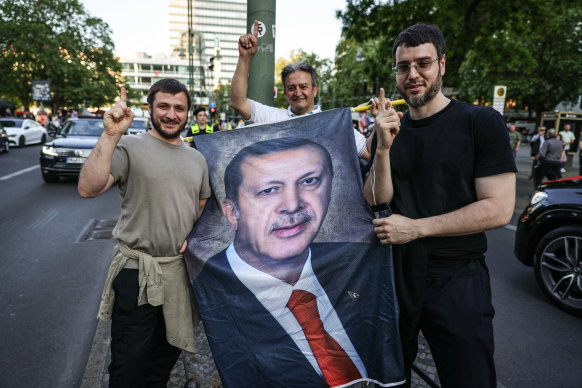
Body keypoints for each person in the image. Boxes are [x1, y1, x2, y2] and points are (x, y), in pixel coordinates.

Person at [366, 23, 516, 388]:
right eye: (403, 67)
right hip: (396, 276)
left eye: (423, 63)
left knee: (469, 379)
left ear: (442, 65)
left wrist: (416, 228)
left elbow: (498, 208)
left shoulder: (480, 122)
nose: (413, 75)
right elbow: (375, 199)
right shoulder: (389, 130)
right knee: (390, 377)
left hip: (457, 277)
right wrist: (382, 148)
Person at [193, 137, 404, 387]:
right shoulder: (209, 285)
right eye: (268, 190)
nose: (293, 205)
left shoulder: (356, 260)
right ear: (231, 212)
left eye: (309, 181)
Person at [78, 79, 211, 387]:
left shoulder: (197, 159)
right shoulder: (130, 145)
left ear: (188, 113)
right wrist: (111, 134)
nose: (171, 114)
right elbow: (88, 187)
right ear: (150, 108)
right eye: (163, 106)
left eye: (179, 108)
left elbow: (202, 205)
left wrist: (195, 236)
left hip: (178, 275)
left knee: (163, 361)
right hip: (137, 272)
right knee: (129, 365)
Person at [230, 20, 370, 160]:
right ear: (285, 93)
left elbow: (369, 153)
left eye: (303, 87)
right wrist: (245, 57)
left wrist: (380, 122)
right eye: (291, 88)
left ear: (314, 90)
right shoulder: (274, 118)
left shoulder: (335, 122)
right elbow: (238, 102)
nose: (298, 93)